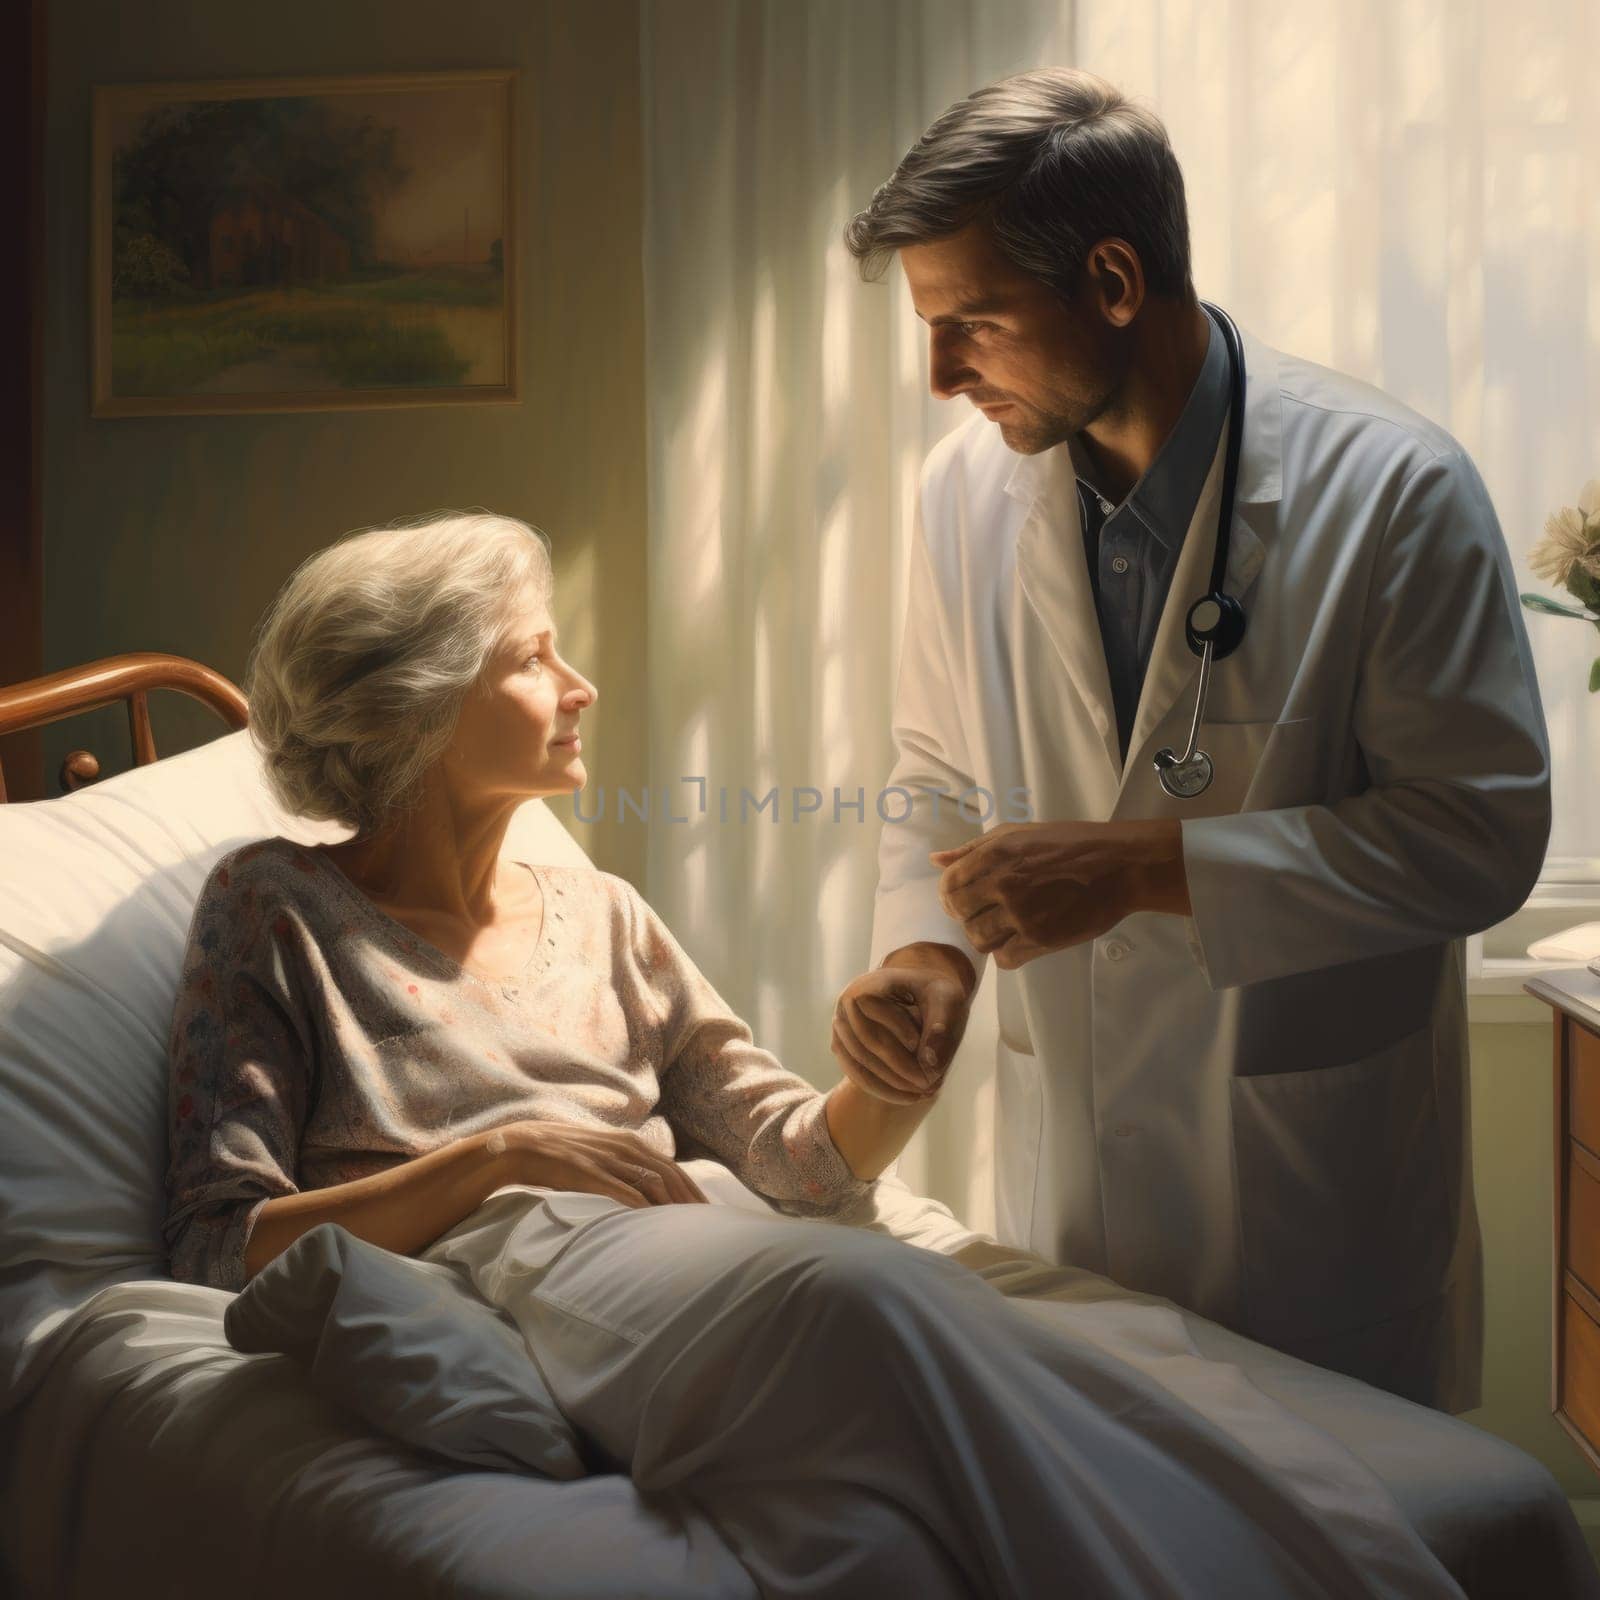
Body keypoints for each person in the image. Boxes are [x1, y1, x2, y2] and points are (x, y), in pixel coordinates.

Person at [159, 510, 1452, 1599]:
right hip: (522, 1259)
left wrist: (893, 1077)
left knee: (995, 1331)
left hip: (707, 1235)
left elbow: (799, 1162)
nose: (580, 686)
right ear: (421, 703)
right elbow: (222, 1244)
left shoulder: (601, 913)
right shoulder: (276, 908)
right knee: (878, 1308)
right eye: (534, 658)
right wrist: (495, 1159)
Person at [831, 66, 1551, 1415]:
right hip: (1074, 1216)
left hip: (1314, 1222)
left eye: (971, 323)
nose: (937, 380)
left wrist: (1143, 869)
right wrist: (926, 958)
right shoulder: (963, 495)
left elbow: (1481, 840)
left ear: (1112, 281)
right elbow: (933, 778)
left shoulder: (1393, 492)